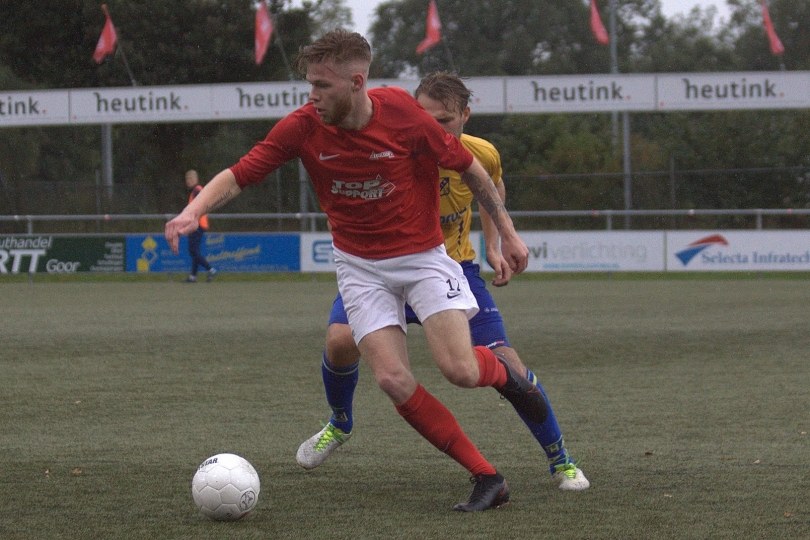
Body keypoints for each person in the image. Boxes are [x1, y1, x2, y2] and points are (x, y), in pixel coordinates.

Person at [165, 29, 544, 512]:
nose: (312, 95)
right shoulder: (303, 126)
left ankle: (508, 377)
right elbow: (240, 174)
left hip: (423, 258)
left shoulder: (404, 114)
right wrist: (191, 212)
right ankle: (488, 477)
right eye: (310, 84)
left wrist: (508, 233)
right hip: (361, 269)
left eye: (322, 85)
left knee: (461, 371)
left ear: (357, 82)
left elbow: (471, 167)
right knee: (392, 379)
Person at [296, 72, 590, 491]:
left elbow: (491, 185)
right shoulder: (390, 148)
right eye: (424, 117)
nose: (432, 128)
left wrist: (493, 244)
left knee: (508, 363)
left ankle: (561, 459)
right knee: (339, 340)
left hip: (453, 271)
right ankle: (340, 423)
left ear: (466, 115)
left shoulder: (479, 154)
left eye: (445, 120)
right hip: (384, 270)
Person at [183, 169, 216, 283]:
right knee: (195, 251)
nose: (188, 181)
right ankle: (193, 276)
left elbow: (204, 204)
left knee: (193, 251)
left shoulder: (197, 190)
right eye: (187, 179)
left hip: (197, 224)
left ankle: (210, 269)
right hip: (197, 224)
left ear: (196, 179)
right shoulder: (194, 191)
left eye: (190, 178)